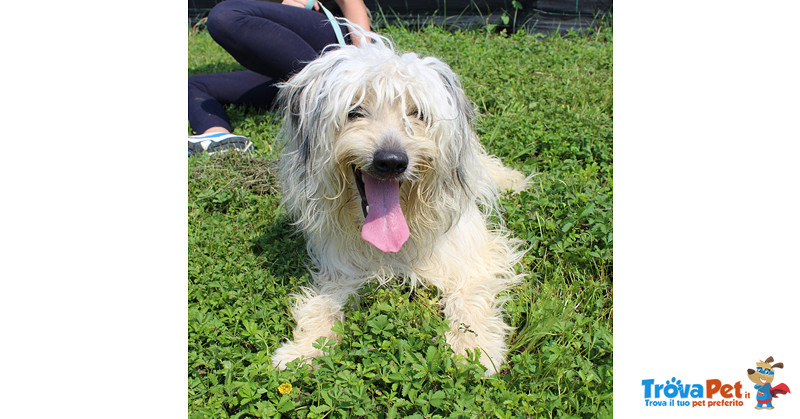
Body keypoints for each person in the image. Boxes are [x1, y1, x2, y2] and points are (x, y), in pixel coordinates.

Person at [188, 0, 372, 156]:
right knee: (192, 85)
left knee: (225, 16)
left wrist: (366, 57)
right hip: (288, 64)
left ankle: (330, 95)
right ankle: (220, 137)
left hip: (334, 48)